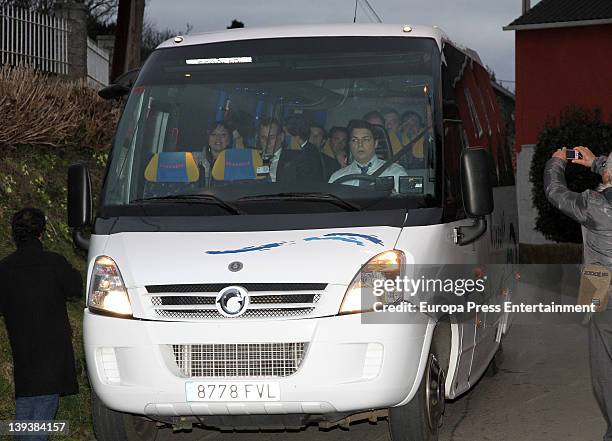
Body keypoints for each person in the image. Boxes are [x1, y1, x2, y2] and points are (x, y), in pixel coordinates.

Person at [544, 146, 612, 441]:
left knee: (604, 365)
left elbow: (555, 192)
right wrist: (597, 163)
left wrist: (556, 163)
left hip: (601, 284)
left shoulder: (593, 204)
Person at [0, 208, 82, 440]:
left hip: (24, 364)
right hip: (52, 363)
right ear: (41, 233)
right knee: (37, 429)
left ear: (15, 235)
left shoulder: (4, 269)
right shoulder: (54, 263)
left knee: (24, 425)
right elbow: (76, 287)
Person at [329, 119, 408, 192]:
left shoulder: (396, 173)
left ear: (375, 143)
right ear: (349, 144)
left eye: (365, 139)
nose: (360, 144)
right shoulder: (337, 177)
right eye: (355, 140)